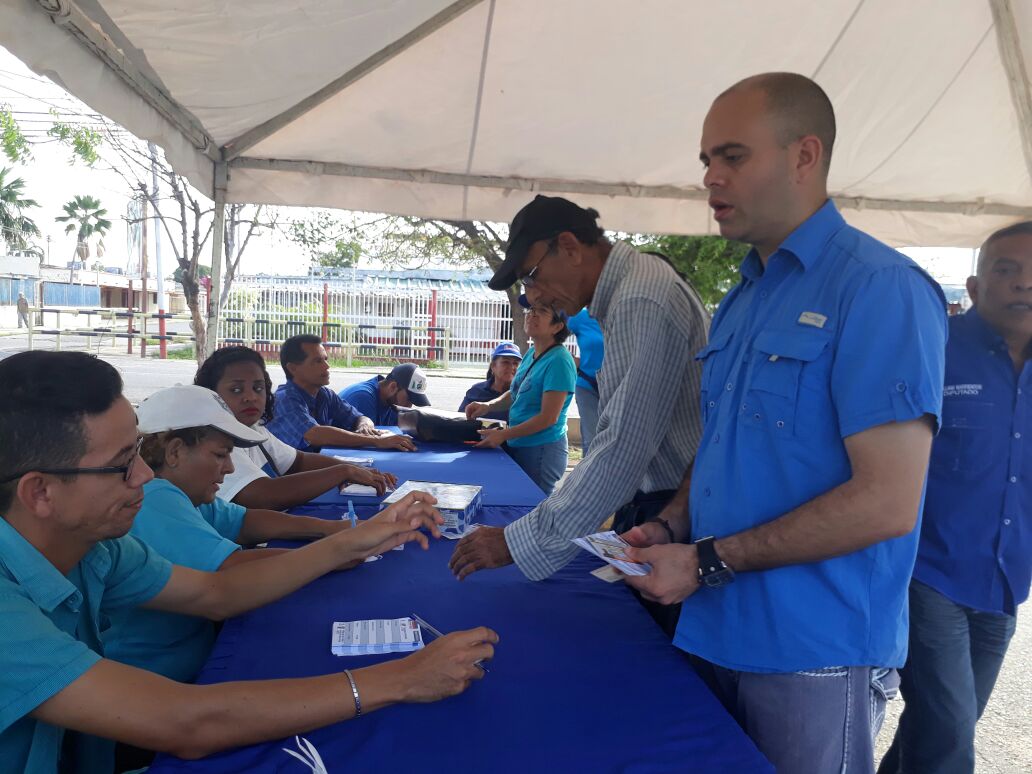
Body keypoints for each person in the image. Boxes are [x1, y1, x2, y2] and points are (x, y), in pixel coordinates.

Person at [619, 72, 947, 774]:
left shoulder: (879, 288)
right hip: (714, 629)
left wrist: (704, 562)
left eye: (732, 156)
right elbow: (725, 441)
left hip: (814, 651)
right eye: (706, 160)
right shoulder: (743, 293)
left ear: (805, 156)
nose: (710, 177)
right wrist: (673, 523)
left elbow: (888, 502)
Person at [0, 350, 496, 773]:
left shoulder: (97, 543)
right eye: (123, 463)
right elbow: (185, 722)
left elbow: (215, 593)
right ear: (40, 492)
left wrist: (354, 540)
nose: (146, 474)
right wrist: (402, 679)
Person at [448, 195, 708, 591]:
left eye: (532, 275)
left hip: (673, 507)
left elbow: (623, 444)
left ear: (569, 247)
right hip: (665, 508)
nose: (534, 296)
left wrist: (520, 540)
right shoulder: (631, 291)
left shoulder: (639, 297)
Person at [879, 221, 1032, 774]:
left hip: (1005, 582)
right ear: (973, 286)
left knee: (942, 728)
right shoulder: (934, 349)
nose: (1024, 283)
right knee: (948, 738)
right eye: (1006, 269)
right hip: (930, 574)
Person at [102, 383, 375, 684]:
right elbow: (229, 574)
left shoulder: (187, 495)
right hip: (159, 684)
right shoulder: (155, 497)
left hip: (195, 658)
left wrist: (332, 529)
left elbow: (247, 521)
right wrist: (335, 551)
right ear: (175, 452)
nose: (229, 468)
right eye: (220, 455)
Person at [194, 345, 397, 508]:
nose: (250, 397)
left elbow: (297, 461)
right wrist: (344, 471)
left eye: (258, 388)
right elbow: (264, 494)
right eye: (236, 390)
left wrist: (358, 469)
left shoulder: (254, 429)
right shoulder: (218, 442)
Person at [466, 297, 576, 495]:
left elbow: (548, 418)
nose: (531, 314)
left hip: (542, 450)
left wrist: (503, 435)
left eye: (541, 311)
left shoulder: (559, 360)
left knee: (534, 509)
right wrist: (488, 406)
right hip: (523, 444)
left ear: (557, 326)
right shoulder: (533, 352)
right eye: (531, 309)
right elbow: (516, 392)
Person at [265, 334, 415, 453]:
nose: (327, 366)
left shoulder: (324, 395)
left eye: (325, 359)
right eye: (317, 361)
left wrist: (364, 425)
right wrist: (375, 440)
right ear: (293, 368)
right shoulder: (284, 400)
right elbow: (315, 434)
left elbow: (358, 416)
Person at [339, 362, 431, 426]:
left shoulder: (391, 402)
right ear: (393, 387)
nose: (409, 406)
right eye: (409, 399)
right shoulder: (363, 397)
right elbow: (367, 439)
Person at [565, 309, 604, 454]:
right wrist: (571, 360)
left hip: (619, 385)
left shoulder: (624, 313)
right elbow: (553, 332)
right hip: (588, 385)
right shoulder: (581, 317)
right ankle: (590, 475)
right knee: (592, 440)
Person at [458, 341, 523, 421]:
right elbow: (460, 419)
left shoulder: (523, 393)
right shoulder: (477, 390)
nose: (511, 367)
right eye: (506, 362)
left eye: (515, 363)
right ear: (493, 366)